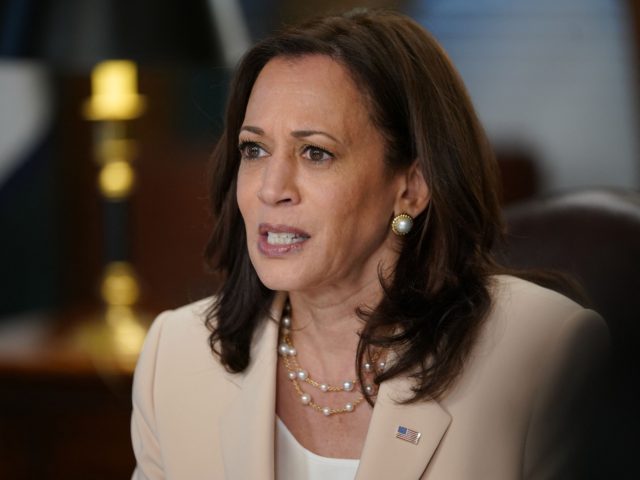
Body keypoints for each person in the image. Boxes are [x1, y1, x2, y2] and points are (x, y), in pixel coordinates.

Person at [130, 9, 608, 480]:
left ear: (411, 187)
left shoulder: (543, 352)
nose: (271, 188)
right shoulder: (176, 356)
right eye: (254, 150)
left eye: (315, 152)